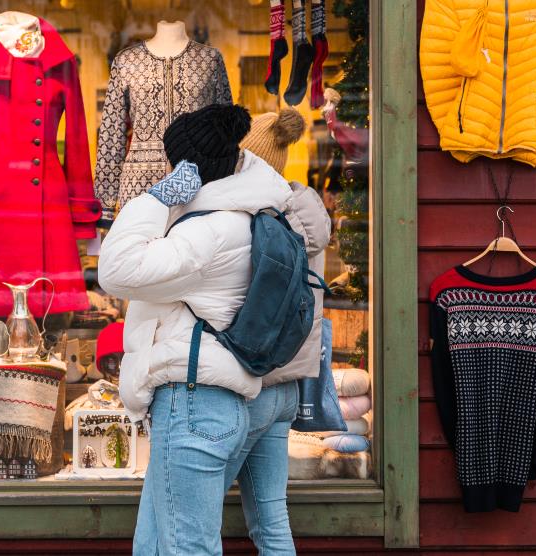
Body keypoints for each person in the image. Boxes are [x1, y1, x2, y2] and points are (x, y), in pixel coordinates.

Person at [99, 104, 297, 555]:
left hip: (193, 404)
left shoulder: (211, 231)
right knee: (153, 547)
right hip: (204, 402)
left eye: (175, 161)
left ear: (190, 168)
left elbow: (116, 269)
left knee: (186, 549)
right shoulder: (243, 215)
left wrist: (154, 199)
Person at [225, 107, 333, 555]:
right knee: (271, 517)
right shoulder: (306, 211)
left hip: (252, 384)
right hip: (288, 388)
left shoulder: (256, 221)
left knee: (196, 509)